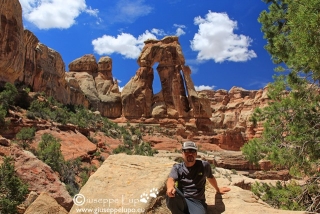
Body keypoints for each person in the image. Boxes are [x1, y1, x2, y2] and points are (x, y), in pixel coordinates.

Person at [166, 141, 230, 214]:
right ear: (182, 153)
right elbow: (171, 179)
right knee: (171, 196)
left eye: (193, 151)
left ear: (196, 154)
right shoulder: (177, 168)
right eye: (187, 151)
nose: (190, 154)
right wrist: (170, 187)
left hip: (197, 202)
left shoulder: (204, 166)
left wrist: (217, 189)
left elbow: (210, 177)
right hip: (182, 198)